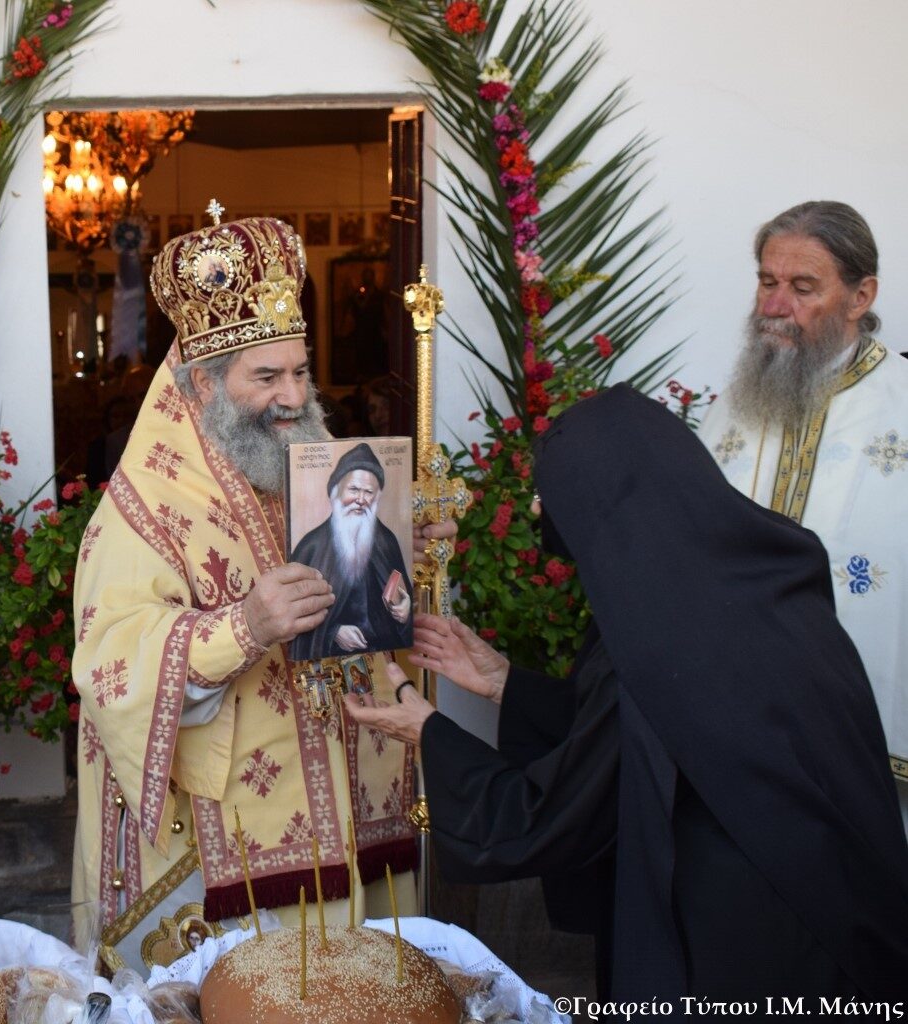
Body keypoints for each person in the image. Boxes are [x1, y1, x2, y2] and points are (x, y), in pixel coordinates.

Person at [346, 386, 908, 1002]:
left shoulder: (657, 637)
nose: (542, 517)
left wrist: (430, 732)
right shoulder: (765, 580)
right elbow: (662, 740)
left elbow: (550, 814)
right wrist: (507, 684)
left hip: (746, 949)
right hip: (842, 915)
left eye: (552, 503)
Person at [70, 216, 443, 973]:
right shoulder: (141, 508)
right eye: (265, 378)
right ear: (202, 384)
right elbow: (108, 666)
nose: (292, 396)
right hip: (223, 851)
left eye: (299, 372)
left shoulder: (310, 475)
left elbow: (367, 614)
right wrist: (241, 627)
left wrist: (406, 559)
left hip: (351, 810)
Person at [697, 201, 908, 827]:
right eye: (767, 282)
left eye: (802, 287)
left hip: (856, 727)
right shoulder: (734, 405)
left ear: (859, 295)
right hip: (738, 729)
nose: (774, 304)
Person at [288, 442, 412, 661]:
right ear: (336, 491)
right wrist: (333, 632)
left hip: (382, 658)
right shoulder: (311, 546)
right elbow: (296, 620)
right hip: (326, 662)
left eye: (368, 492)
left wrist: (406, 607)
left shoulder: (387, 541)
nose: (360, 500)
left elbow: (402, 592)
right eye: (354, 489)